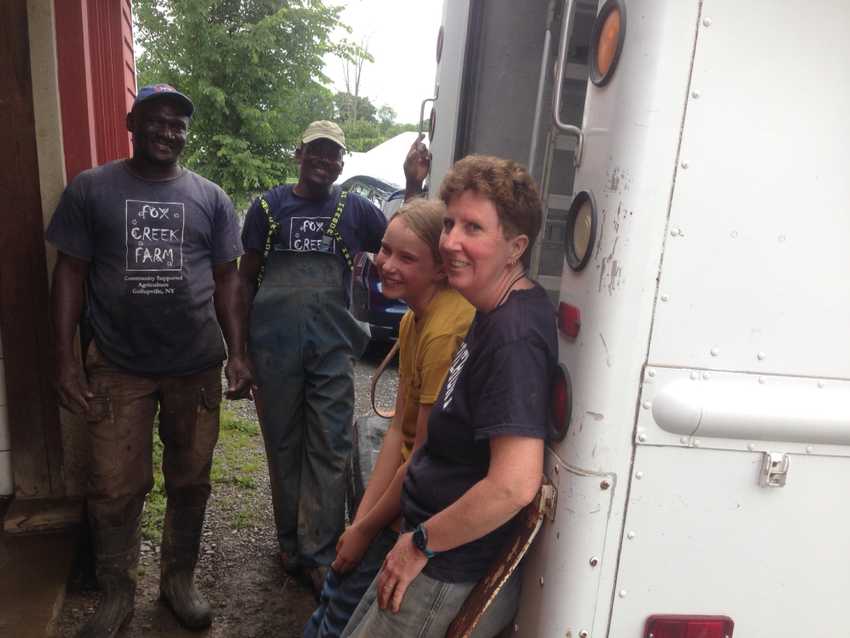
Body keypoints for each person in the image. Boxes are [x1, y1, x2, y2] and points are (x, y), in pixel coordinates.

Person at [47, 83, 251, 637]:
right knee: (114, 484)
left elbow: (228, 279)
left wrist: (240, 353)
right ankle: (116, 594)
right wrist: (65, 358)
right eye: (156, 120)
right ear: (131, 123)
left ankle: (178, 581)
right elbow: (69, 273)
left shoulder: (210, 197)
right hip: (117, 364)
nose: (168, 131)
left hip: (196, 364)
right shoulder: (92, 189)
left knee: (190, 478)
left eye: (178, 123)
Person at [341, 155, 558, 638]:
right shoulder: (490, 309)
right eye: (450, 223)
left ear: (515, 246)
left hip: (443, 567)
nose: (451, 242)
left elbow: (514, 485)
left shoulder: (514, 335)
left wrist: (419, 543)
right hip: (428, 550)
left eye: (474, 229)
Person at [239, 123, 427, 593]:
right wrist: (238, 352)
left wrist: (413, 186)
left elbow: (409, 240)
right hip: (274, 346)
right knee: (282, 444)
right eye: (316, 152)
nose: (325, 161)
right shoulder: (267, 207)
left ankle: (319, 552)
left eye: (334, 155)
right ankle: (289, 544)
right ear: (298, 153)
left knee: (329, 445)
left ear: (343, 163)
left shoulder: (356, 209)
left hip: (330, 348)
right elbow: (243, 280)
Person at [304, 198, 475, 638]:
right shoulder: (411, 321)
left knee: (338, 613)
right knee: (335, 593)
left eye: (406, 257)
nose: (386, 264)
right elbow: (398, 429)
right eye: (384, 250)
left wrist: (367, 531)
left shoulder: (445, 331)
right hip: (397, 499)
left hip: (419, 509)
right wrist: (360, 524)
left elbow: (421, 454)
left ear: (440, 269)